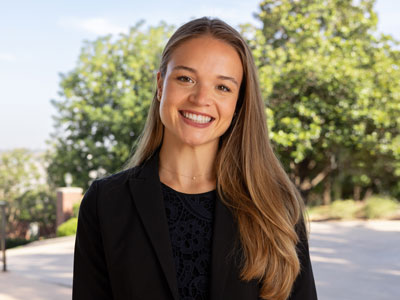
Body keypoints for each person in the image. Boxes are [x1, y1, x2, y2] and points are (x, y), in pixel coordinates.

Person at [73, 17, 318, 300]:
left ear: (239, 102)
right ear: (160, 84)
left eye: (223, 87)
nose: (201, 98)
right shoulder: (105, 203)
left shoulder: (275, 207)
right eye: (186, 78)